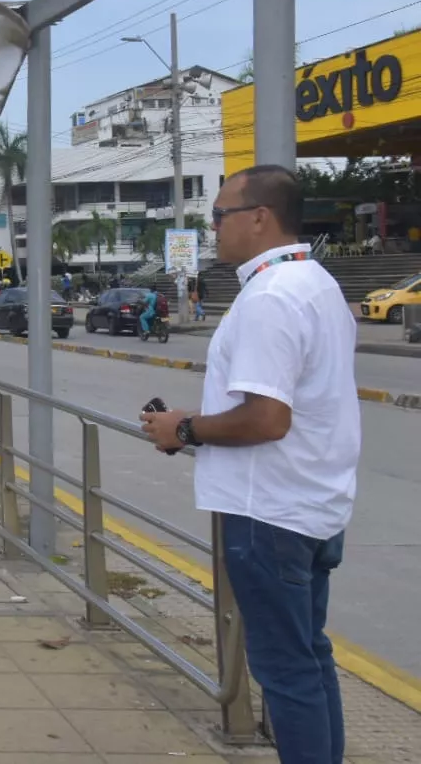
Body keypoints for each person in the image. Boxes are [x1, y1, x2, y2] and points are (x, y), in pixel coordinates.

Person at [141, 165, 358, 764]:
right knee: (309, 657)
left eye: (219, 215)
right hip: (313, 503)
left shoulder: (269, 298)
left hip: (270, 513)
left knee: (285, 668)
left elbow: (267, 419)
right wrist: (188, 423)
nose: (212, 228)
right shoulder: (316, 283)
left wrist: (185, 430)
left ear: (259, 217)